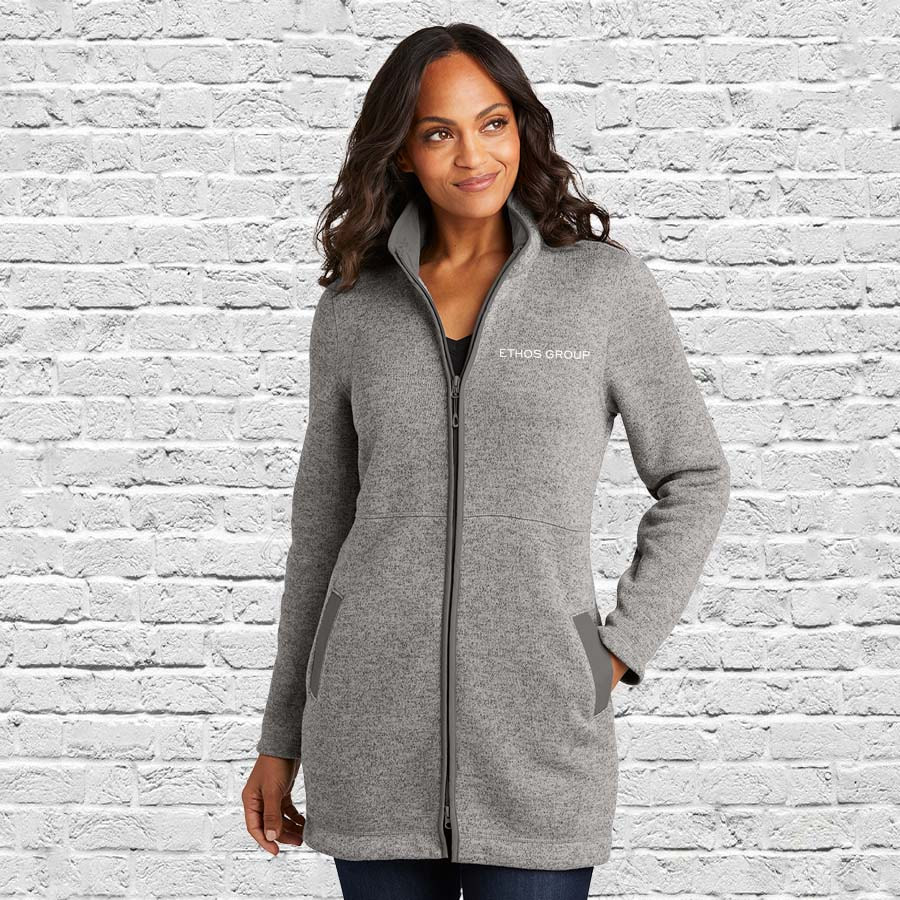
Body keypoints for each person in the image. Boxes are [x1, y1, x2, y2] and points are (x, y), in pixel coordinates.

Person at [241, 22, 731, 900]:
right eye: (439, 132)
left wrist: (616, 650)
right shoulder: (355, 306)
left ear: (521, 129)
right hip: (370, 735)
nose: (473, 155)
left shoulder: (601, 288)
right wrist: (281, 736)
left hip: (541, 737)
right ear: (402, 153)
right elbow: (319, 531)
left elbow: (693, 475)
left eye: (492, 123)